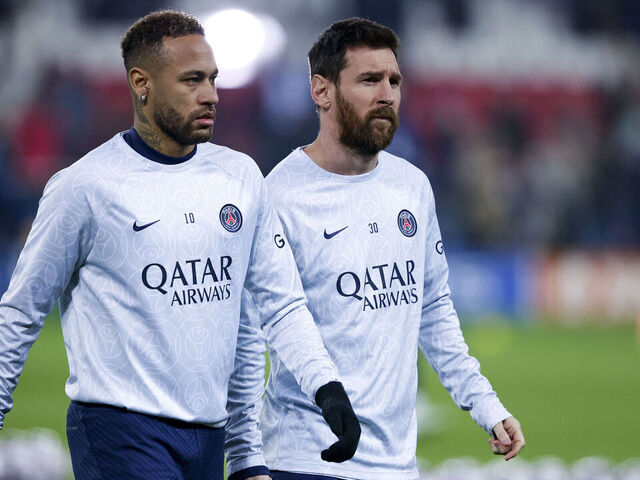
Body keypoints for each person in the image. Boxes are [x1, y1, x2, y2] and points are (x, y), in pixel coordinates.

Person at [0, 10, 360, 480]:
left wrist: (324, 389)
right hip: (120, 431)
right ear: (141, 83)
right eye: (191, 80)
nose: (210, 95)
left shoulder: (240, 177)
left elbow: (277, 306)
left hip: (208, 437)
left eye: (212, 79)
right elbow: (21, 312)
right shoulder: (84, 187)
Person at [226, 18, 525, 480]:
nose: (387, 93)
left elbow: (435, 310)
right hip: (306, 460)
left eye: (394, 80)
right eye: (369, 80)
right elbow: (248, 338)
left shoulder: (412, 187)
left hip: (397, 466)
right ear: (321, 91)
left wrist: (485, 404)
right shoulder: (279, 195)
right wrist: (246, 459)